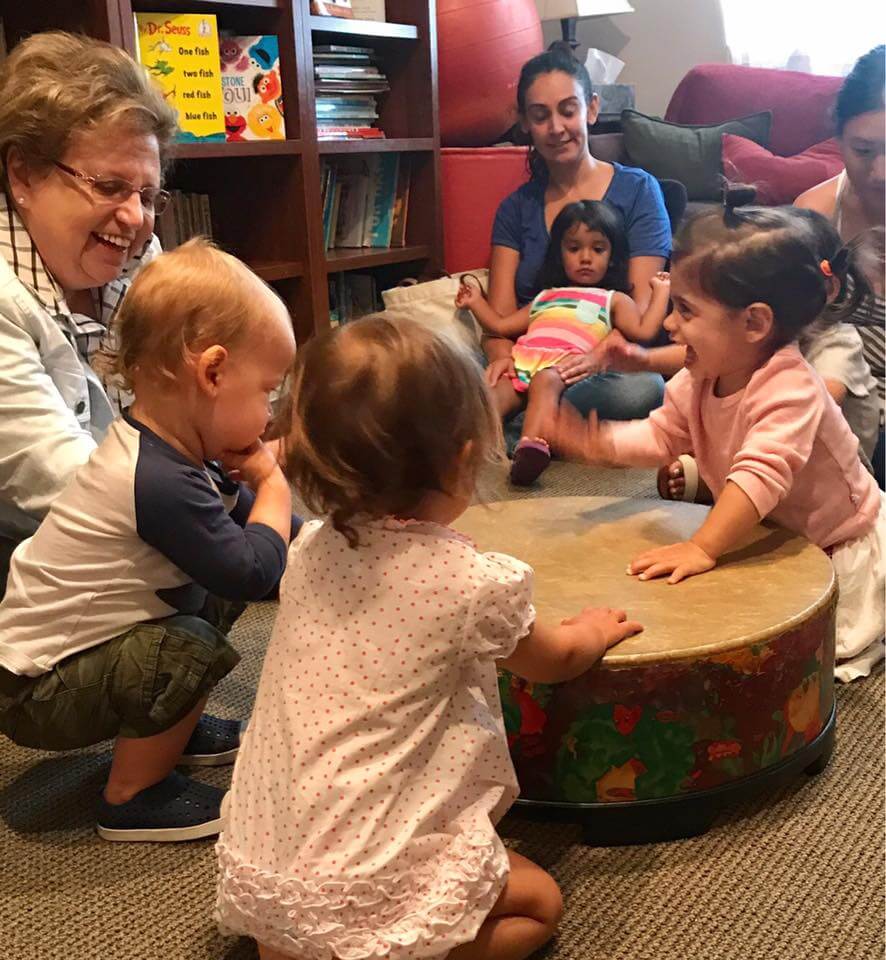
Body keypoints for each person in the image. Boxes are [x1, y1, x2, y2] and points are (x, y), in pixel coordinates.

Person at [215, 315, 643, 960]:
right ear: (466, 459)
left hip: (271, 861)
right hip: (368, 868)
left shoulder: (306, 553)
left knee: (308, 928)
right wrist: (590, 629)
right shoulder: (469, 582)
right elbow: (553, 662)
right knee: (538, 906)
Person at [0, 240, 297, 841]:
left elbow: (269, 542)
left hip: (67, 659)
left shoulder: (172, 454)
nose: (268, 415)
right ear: (212, 372)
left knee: (205, 596)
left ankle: (170, 732)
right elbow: (254, 571)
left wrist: (266, 507)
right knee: (187, 642)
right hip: (37, 690)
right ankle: (133, 794)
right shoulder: (157, 481)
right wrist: (273, 482)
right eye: (267, 390)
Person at [550, 191, 884, 683]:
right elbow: (663, 434)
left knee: (793, 655)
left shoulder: (792, 384)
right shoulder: (702, 373)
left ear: (754, 322)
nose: (668, 324)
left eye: (685, 311)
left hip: (837, 541)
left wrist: (703, 546)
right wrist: (602, 444)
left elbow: (759, 474)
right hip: (774, 530)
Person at [0, 31, 178, 590]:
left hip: (131, 521)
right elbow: (61, 483)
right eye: (109, 186)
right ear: (24, 174)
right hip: (30, 563)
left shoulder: (141, 260)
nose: (134, 219)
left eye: (147, 197)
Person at [486, 47, 672, 450]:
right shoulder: (516, 208)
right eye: (540, 116)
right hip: (527, 356)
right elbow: (498, 319)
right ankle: (538, 424)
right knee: (445, 374)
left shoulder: (639, 190)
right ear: (525, 125)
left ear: (590, 110)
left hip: (602, 366)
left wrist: (598, 355)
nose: (556, 127)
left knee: (642, 390)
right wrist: (502, 360)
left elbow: (638, 311)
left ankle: (518, 426)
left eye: (567, 110)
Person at [658, 205, 879, 502]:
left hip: (830, 481)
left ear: (826, 288)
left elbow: (812, 403)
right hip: (768, 452)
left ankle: (724, 482)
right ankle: (718, 480)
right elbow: (690, 364)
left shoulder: (837, 341)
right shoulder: (758, 338)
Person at [457, 200, 670, 485]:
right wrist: (475, 302)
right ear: (560, 254)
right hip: (521, 363)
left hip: (565, 372)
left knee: (547, 381)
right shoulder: (545, 297)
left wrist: (661, 292)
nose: (585, 257)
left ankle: (528, 448)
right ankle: (467, 447)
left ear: (612, 256)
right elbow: (500, 325)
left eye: (597, 249)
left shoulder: (614, 299)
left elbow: (644, 331)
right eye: (574, 248)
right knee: (494, 392)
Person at [795, 45, 885, 487]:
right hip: (835, 412)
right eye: (864, 149)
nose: (881, 172)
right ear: (838, 141)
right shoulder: (814, 212)